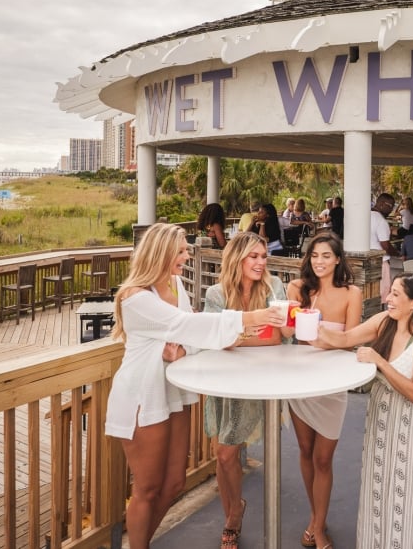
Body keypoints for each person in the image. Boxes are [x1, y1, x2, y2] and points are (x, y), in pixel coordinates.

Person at [104, 223, 285, 549]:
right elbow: (185, 324)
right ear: (161, 253)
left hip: (174, 390)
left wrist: (184, 349)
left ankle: (142, 543)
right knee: (146, 489)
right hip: (142, 394)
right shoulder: (134, 297)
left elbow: (191, 334)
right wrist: (251, 318)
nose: (187, 256)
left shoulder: (175, 284)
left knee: (173, 483)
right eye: (182, 250)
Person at [313, 273, 413, 549]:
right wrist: (312, 329)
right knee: (377, 487)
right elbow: (346, 337)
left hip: (407, 426)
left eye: (396, 294)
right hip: (380, 421)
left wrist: (379, 361)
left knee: (404, 494)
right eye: (390, 292)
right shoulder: (385, 323)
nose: (388, 299)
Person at [202, 231, 288, 549]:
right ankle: (234, 509)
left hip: (257, 377)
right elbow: (215, 338)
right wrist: (247, 331)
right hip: (222, 378)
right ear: (236, 258)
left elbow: (276, 338)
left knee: (226, 452)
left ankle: (232, 520)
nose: (260, 262)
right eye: (253, 256)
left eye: (263, 256)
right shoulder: (215, 293)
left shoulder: (273, 287)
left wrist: (236, 333)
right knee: (222, 456)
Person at [285, 232, 363, 549]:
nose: (319, 262)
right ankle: (317, 518)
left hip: (331, 381)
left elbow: (354, 339)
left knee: (323, 459)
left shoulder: (351, 293)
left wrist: (322, 336)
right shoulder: (297, 289)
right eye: (315, 256)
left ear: (338, 260)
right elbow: (288, 333)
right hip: (299, 379)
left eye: (326, 256)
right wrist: (285, 320)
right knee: (305, 451)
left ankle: (317, 527)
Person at [370, 193, 401, 302]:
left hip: (367, 262)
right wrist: (397, 253)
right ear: (382, 204)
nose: (391, 210)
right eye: (391, 206)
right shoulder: (380, 221)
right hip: (380, 263)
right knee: (383, 296)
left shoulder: (364, 217)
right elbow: (385, 246)